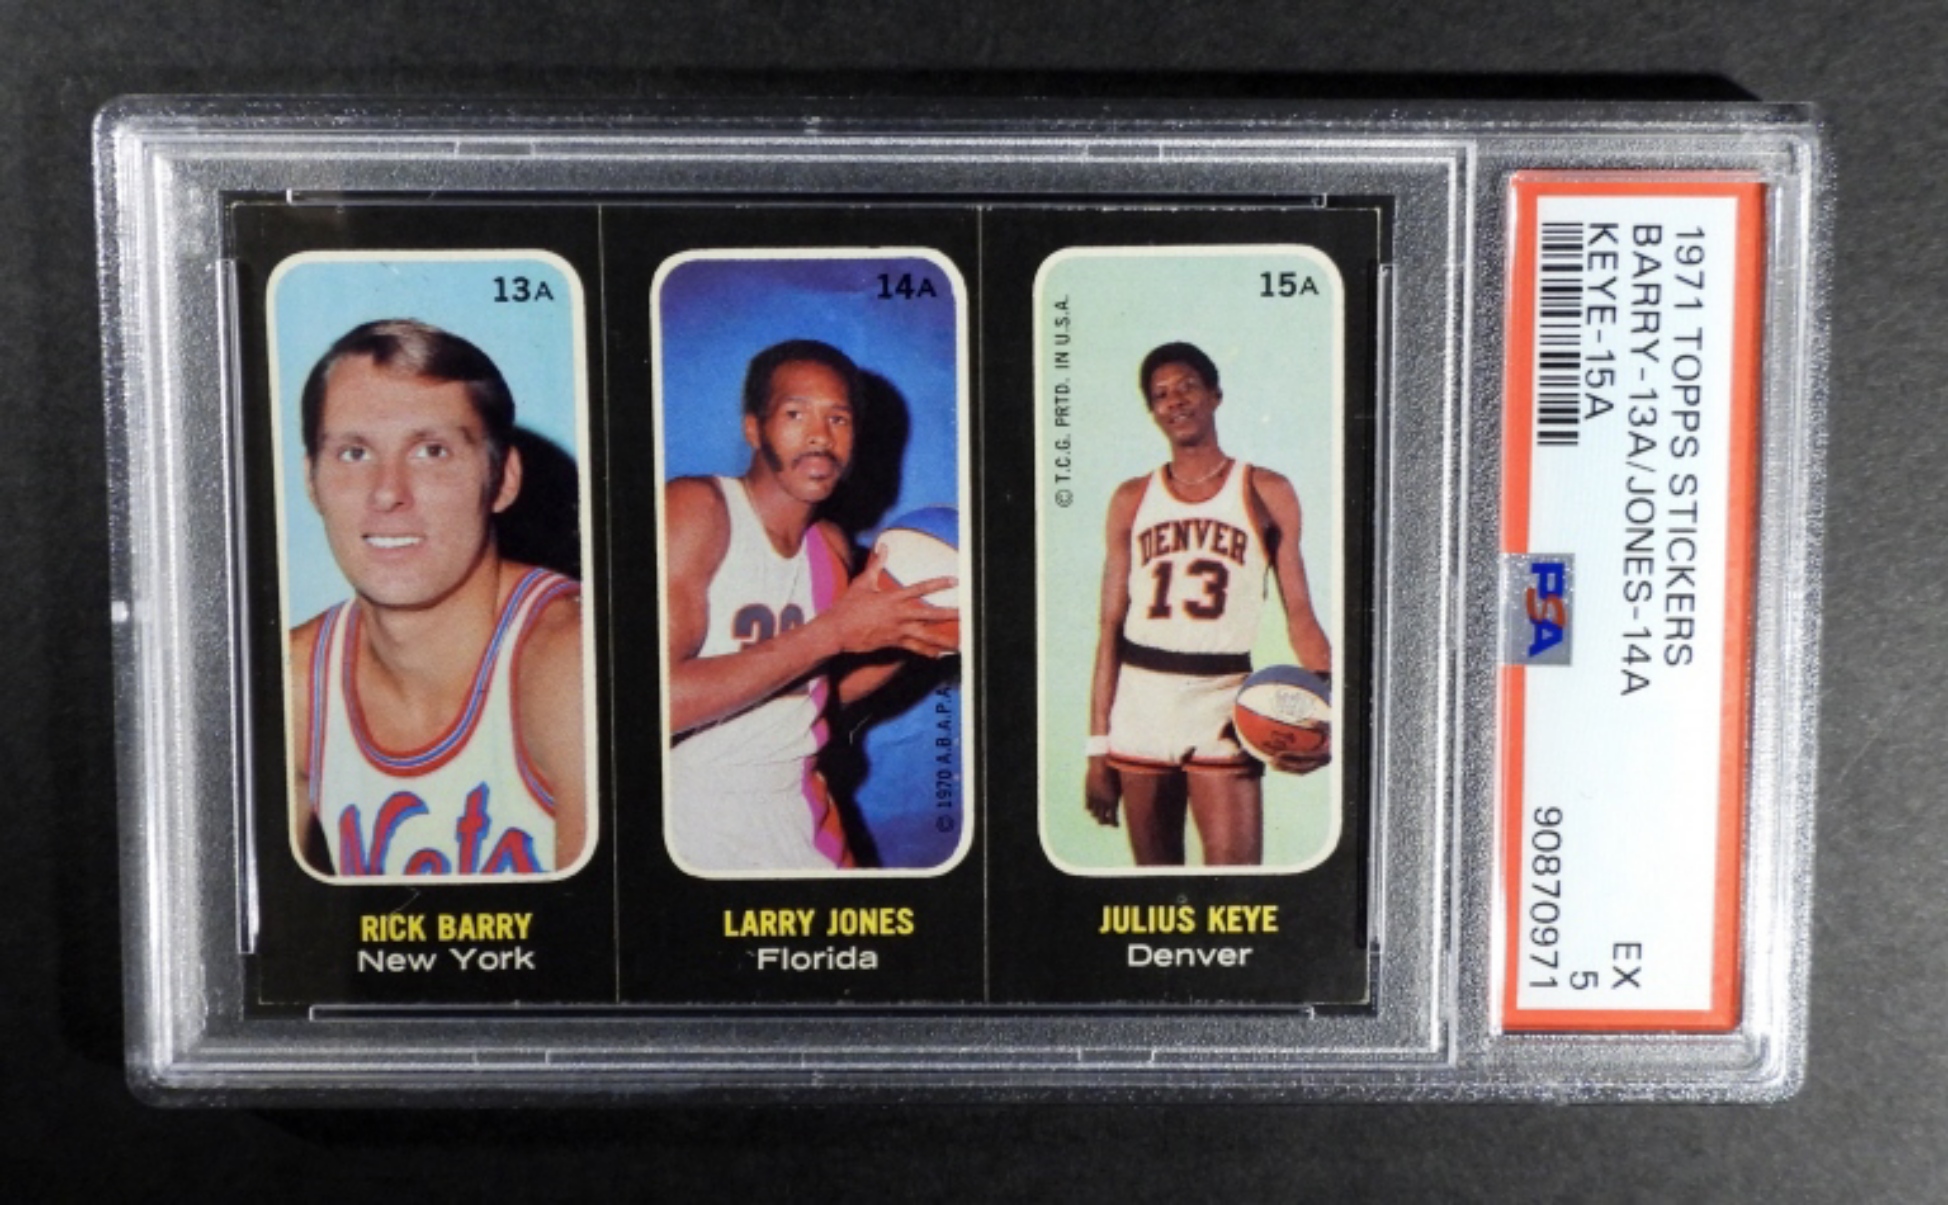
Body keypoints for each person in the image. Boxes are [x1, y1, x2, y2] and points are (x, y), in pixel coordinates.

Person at [287, 319, 585, 878]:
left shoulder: (570, 662)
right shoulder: (295, 683)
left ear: (503, 479)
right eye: (354, 453)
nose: (388, 493)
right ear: (312, 482)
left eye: (431, 451)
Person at [663, 339, 958, 872]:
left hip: (800, 808)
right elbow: (653, 703)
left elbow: (813, 699)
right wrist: (834, 633)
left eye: (838, 419)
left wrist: (911, 635)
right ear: (753, 428)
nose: (820, 436)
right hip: (692, 814)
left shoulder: (830, 547)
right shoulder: (697, 509)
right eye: (795, 414)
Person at [1084, 342, 1333, 866]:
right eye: (1161, 395)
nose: (1175, 401)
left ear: (1215, 395)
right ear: (1152, 411)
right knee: (1154, 889)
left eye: (1187, 387)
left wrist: (1327, 713)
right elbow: (1109, 628)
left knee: (1236, 883)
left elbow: (1300, 615)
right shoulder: (1132, 498)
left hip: (1224, 698)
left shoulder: (1266, 489)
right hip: (1141, 701)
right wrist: (1097, 748)